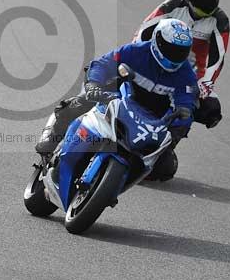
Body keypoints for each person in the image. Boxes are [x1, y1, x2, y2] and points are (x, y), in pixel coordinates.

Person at [36, 19, 198, 173]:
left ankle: (120, 173)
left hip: (150, 120)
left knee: (166, 167)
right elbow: (103, 63)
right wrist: (94, 84)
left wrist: (178, 127)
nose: (175, 55)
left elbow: (187, 102)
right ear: (157, 41)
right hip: (120, 98)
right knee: (82, 102)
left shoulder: (186, 75)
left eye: (181, 51)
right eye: (171, 49)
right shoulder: (135, 51)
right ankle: (53, 135)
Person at [132, 0, 229, 130]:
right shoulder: (172, 7)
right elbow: (142, 33)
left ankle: (169, 142)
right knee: (115, 75)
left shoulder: (219, 20)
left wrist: (205, 84)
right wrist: (140, 60)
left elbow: (218, 57)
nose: (208, 2)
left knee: (212, 110)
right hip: (158, 65)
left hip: (189, 77)